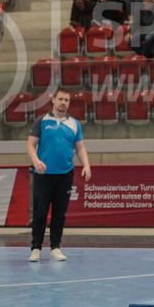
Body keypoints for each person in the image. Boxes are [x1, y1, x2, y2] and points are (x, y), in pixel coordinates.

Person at [27, 88, 91, 262]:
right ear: (53, 100)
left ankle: (55, 247)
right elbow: (31, 145)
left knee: (59, 214)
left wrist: (86, 164)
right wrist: (36, 161)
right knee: (40, 213)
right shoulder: (41, 121)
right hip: (44, 175)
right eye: (61, 99)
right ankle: (36, 248)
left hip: (65, 175)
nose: (64, 102)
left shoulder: (74, 124)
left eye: (67, 100)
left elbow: (80, 148)